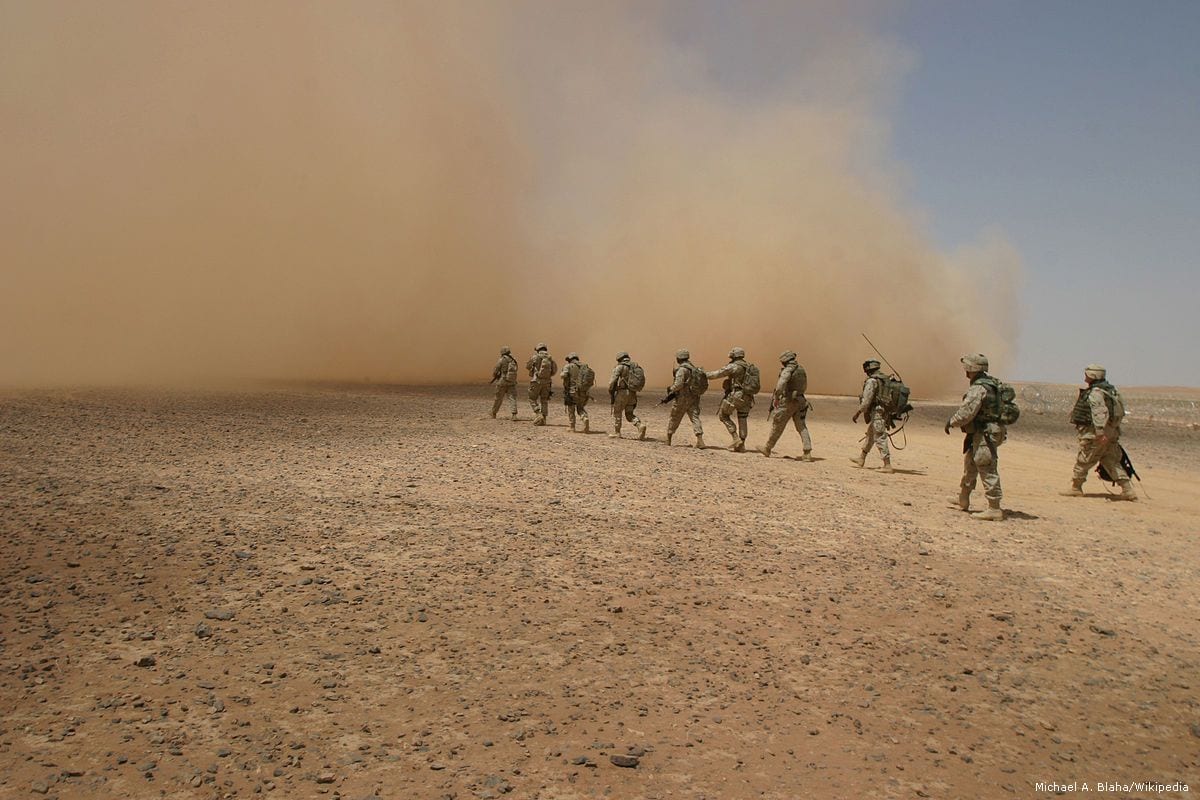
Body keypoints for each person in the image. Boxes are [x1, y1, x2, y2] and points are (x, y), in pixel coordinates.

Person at [943, 353, 1007, 521]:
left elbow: (967, 412)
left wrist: (952, 422)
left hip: (986, 432)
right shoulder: (992, 384)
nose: (965, 370)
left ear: (973, 368)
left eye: (967, 367)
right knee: (971, 463)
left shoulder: (979, 388)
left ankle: (994, 508)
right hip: (988, 431)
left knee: (986, 467)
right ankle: (963, 498)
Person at [1061, 364, 1137, 501]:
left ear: (1092, 376)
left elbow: (1099, 413)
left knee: (1084, 459)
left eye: (1087, 375)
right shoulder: (1111, 391)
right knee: (1110, 460)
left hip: (1096, 434)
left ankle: (1076, 487)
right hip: (1111, 432)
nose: (1085, 377)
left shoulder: (1096, 393)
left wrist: (1100, 432)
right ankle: (1127, 489)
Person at [759, 350, 812, 460]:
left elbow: (780, 384)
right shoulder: (801, 369)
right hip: (801, 400)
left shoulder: (788, 370)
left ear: (784, 361)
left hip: (788, 401)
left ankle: (767, 448)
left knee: (777, 424)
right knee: (801, 426)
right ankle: (807, 452)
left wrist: (777, 397)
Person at [706, 347, 756, 451]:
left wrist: (704, 374)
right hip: (748, 396)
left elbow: (717, 374)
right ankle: (741, 445)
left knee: (723, 415)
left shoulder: (734, 366)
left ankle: (735, 438)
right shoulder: (749, 366)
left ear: (734, 356)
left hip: (736, 395)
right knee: (742, 418)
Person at [851, 360, 893, 473]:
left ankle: (887, 465)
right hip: (883, 411)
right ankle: (861, 458)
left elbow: (866, 401)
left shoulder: (872, 381)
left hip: (878, 412)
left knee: (879, 436)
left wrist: (858, 413)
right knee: (870, 435)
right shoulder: (884, 380)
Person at [664, 349, 705, 448]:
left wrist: (671, 389)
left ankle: (668, 439)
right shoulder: (694, 369)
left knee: (675, 417)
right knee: (695, 418)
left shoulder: (682, 369)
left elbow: (678, 384)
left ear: (679, 358)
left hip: (682, 398)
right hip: (694, 398)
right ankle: (700, 440)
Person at [608, 352, 647, 440]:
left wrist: (611, 391)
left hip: (622, 393)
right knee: (629, 414)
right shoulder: (635, 367)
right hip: (633, 394)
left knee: (617, 412)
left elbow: (612, 381)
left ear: (619, 359)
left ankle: (617, 432)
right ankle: (640, 425)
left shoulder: (620, 367)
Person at [525, 343, 557, 426]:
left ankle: (538, 414)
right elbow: (554, 370)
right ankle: (544, 419)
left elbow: (528, 366)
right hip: (547, 382)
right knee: (544, 400)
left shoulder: (535, 357)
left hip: (536, 381)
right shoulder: (550, 358)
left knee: (532, 398)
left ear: (538, 349)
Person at [559, 352, 592, 433]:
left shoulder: (569, 366)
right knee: (580, 408)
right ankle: (585, 418)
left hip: (572, 391)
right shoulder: (584, 366)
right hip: (584, 392)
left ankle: (572, 427)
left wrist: (563, 373)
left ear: (570, 359)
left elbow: (563, 375)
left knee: (571, 408)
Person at [489, 346, 519, 420]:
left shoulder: (502, 360)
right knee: (512, 398)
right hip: (511, 382)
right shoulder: (513, 360)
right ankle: (514, 414)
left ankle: (494, 413)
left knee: (498, 398)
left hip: (502, 381)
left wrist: (496, 376)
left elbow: (495, 370)